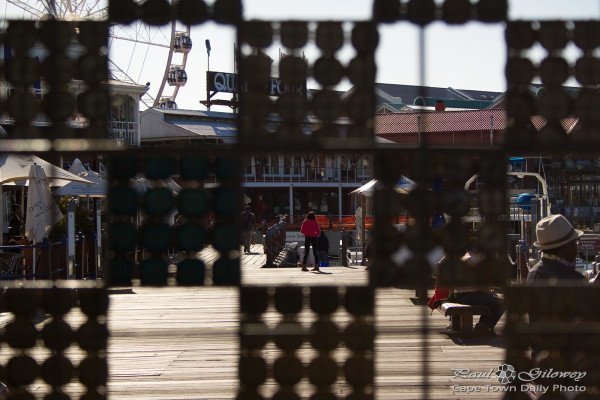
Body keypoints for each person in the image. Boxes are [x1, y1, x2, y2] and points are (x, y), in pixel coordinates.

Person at [448, 239, 505, 337]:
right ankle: (484, 326)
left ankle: (483, 326)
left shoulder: (464, 258)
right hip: (470, 295)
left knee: (491, 301)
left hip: (459, 295)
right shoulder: (475, 261)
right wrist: (491, 293)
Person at [527, 214, 588, 283]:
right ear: (565, 246)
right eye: (574, 241)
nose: (577, 246)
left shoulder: (533, 274)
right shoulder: (575, 280)